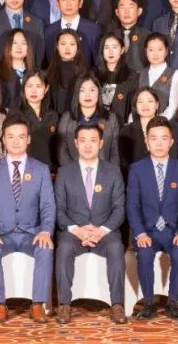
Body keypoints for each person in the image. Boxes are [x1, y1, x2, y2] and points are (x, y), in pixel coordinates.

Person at [0, 117, 56, 324]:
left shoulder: (40, 169)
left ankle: (37, 304)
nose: (16, 141)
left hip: (32, 233)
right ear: (3, 139)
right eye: (11, 137)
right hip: (2, 233)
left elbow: (48, 205)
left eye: (21, 137)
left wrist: (46, 231)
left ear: (28, 139)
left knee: (45, 248)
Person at [54, 124, 128, 324]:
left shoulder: (113, 172)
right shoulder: (64, 172)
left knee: (116, 247)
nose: (88, 145)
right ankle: (64, 304)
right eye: (83, 140)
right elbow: (59, 210)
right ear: (75, 143)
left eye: (93, 140)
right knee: (63, 248)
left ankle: (117, 304)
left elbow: (119, 209)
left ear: (101, 143)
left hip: (105, 233)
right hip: (73, 233)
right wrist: (76, 230)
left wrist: (101, 230)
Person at [127, 117, 178, 320]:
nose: (159, 143)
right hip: (148, 231)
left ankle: (172, 302)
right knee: (145, 255)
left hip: (174, 231)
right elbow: (132, 206)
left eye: (164, 138)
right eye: (153, 138)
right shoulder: (137, 169)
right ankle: (148, 303)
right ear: (146, 141)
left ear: (171, 141)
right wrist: (140, 233)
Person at [57, 75, 120, 166]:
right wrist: (74, 172)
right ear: (76, 94)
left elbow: (115, 153)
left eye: (92, 90)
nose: (87, 95)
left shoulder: (111, 118)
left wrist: (108, 172)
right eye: (82, 90)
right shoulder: (67, 118)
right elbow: (62, 152)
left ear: (98, 92)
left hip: (104, 172)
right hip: (73, 172)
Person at [44, 0, 102, 68]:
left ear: (80, 3)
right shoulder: (49, 31)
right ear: (57, 4)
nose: (68, 4)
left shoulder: (93, 29)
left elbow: (98, 62)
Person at [12, 70, 60, 170]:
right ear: (23, 88)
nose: (33, 91)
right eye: (29, 86)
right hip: (25, 170)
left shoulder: (53, 115)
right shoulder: (15, 115)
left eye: (38, 86)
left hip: (50, 170)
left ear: (46, 89)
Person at [118, 87, 161, 169]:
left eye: (150, 101)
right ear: (135, 106)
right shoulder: (126, 132)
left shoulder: (169, 130)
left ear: (157, 105)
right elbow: (124, 165)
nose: (145, 105)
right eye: (140, 102)